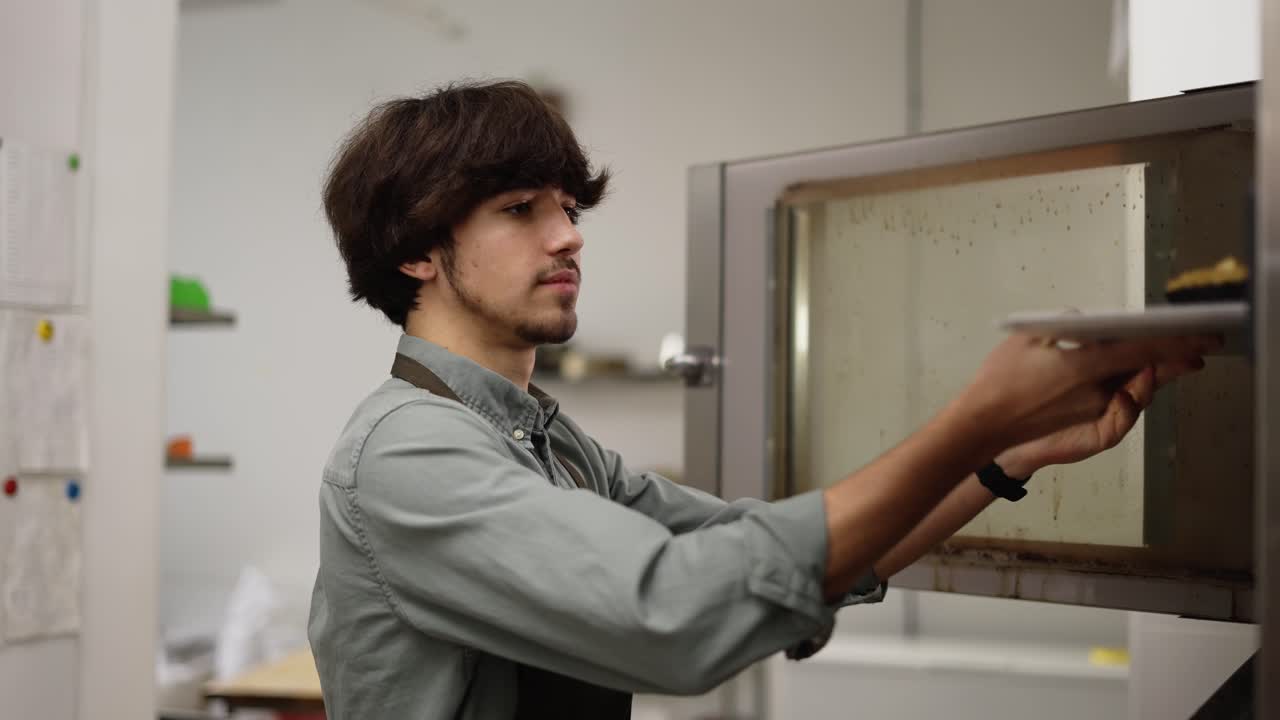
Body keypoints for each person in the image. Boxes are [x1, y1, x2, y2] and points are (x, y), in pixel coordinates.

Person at [308, 80, 1216, 720]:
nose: (568, 236)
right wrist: (981, 414)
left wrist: (1006, 456)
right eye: (520, 209)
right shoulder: (407, 453)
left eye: (569, 209)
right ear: (416, 252)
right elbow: (671, 616)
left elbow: (775, 553)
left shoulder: (553, 444)